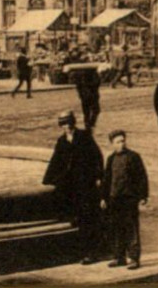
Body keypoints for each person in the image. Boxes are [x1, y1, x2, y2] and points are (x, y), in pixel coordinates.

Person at [42, 111, 103, 264]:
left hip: (86, 183)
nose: (67, 127)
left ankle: (92, 253)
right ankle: (84, 251)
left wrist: (99, 176)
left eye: (69, 124)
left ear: (74, 123)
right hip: (72, 186)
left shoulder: (84, 136)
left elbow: (97, 156)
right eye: (64, 124)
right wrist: (48, 179)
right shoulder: (62, 141)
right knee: (78, 218)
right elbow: (55, 160)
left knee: (88, 219)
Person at [102, 129, 149, 270]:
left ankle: (134, 258)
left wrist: (142, 196)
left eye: (123, 141)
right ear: (112, 144)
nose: (122, 144)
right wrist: (104, 197)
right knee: (116, 228)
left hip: (129, 199)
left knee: (131, 229)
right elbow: (107, 180)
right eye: (118, 142)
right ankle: (119, 257)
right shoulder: (111, 159)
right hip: (114, 199)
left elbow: (142, 177)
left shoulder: (134, 157)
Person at [74, 62, 102, 132]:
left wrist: (80, 94)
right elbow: (97, 83)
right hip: (93, 95)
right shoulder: (93, 73)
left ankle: (87, 125)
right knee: (96, 110)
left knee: (86, 112)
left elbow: (78, 86)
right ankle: (91, 123)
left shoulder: (79, 74)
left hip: (84, 95)